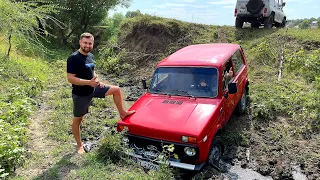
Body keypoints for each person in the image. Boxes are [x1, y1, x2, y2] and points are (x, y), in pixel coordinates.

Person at [66, 32, 135, 154]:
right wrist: (88, 82)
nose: (87, 45)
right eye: (85, 43)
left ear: (93, 44)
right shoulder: (73, 58)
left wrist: (97, 80)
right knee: (78, 120)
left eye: (90, 43)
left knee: (116, 90)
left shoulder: (90, 56)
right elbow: (70, 78)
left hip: (94, 88)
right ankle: (79, 145)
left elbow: (92, 71)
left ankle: (123, 113)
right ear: (80, 42)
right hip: (81, 94)